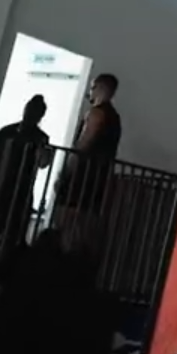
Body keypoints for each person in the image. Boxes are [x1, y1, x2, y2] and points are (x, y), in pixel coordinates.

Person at [56, 73, 122, 251]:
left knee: (67, 224)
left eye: (93, 87)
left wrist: (65, 173)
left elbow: (83, 144)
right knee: (84, 230)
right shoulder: (115, 118)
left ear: (101, 89)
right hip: (98, 180)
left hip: (81, 178)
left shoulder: (96, 113)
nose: (90, 92)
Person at [0, 95, 53, 236]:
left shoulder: (34, 136)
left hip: (17, 185)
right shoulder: (9, 132)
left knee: (9, 226)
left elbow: (43, 163)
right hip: (4, 183)